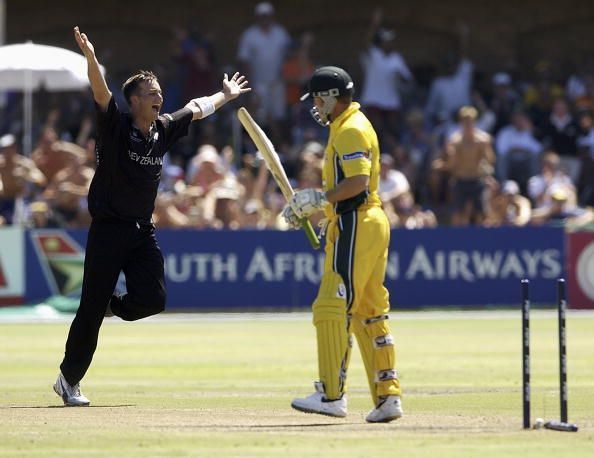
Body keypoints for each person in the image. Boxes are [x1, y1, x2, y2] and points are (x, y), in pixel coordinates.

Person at [53, 26, 250, 406]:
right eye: (151, 92)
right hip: (109, 229)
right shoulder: (115, 126)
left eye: (159, 91)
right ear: (134, 102)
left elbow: (195, 108)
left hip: (142, 231)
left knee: (154, 299)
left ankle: (114, 306)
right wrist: (91, 57)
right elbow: (99, 89)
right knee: (88, 311)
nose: (159, 96)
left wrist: (224, 96)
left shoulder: (162, 129)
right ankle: (68, 379)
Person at [282, 66, 402, 423]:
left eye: (318, 98)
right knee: (369, 309)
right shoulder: (351, 124)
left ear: (332, 97)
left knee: (333, 306)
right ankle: (387, 397)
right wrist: (324, 207)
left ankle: (331, 395)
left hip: (356, 220)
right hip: (363, 221)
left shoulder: (350, 128)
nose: (316, 106)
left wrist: (319, 199)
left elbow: (358, 183)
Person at [445, 106, 495, 225]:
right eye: (465, 121)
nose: (468, 124)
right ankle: (456, 239)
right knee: (458, 213)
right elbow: (452, 165)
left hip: (477, 179)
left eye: (470, 121)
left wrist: (486, 148)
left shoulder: (482, 140)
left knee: (481, 214)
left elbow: (491, 160)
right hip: (461, 180)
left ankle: (481, 240)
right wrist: (451, 155)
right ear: (461, 122)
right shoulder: (454, 141)